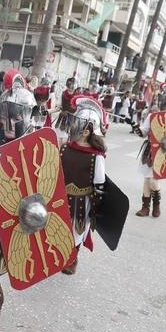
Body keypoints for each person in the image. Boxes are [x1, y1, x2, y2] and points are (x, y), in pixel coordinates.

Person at [60, 95, 108, 275]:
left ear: (86, 131)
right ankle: (57, 257)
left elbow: (99, 183)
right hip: (62, 197)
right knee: (59, 226)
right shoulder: (65, 148)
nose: (73, 126)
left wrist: (96, 207)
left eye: (77, 123)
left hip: (83, 200)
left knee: (76, 230)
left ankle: (72, 258)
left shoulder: (96, 156)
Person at [135, 82, 166, 218]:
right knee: (147, 179)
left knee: (152, 181)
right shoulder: (152, 116)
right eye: (165, 99)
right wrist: (136, 128)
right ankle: (145, 208)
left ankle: (156, 205)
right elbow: (144, 132)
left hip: (164, 153)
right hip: (150, 151)